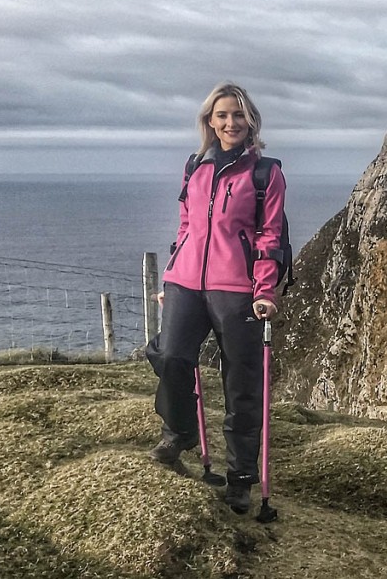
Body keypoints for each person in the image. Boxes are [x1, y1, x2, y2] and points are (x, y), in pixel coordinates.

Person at [146, 81, 286, 515]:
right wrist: (172, 276)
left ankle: (241, 477)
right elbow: (186, 225)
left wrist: (265, 290)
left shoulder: (265, 172)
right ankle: (179, 433)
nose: (230, 122)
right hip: (186, 281)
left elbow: (270, 236)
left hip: (237, 288)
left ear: (251, 121)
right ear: (210, 120)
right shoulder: (195, 166)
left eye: (238, 115)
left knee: (242, 384)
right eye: (222, 115)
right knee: (169, 355)